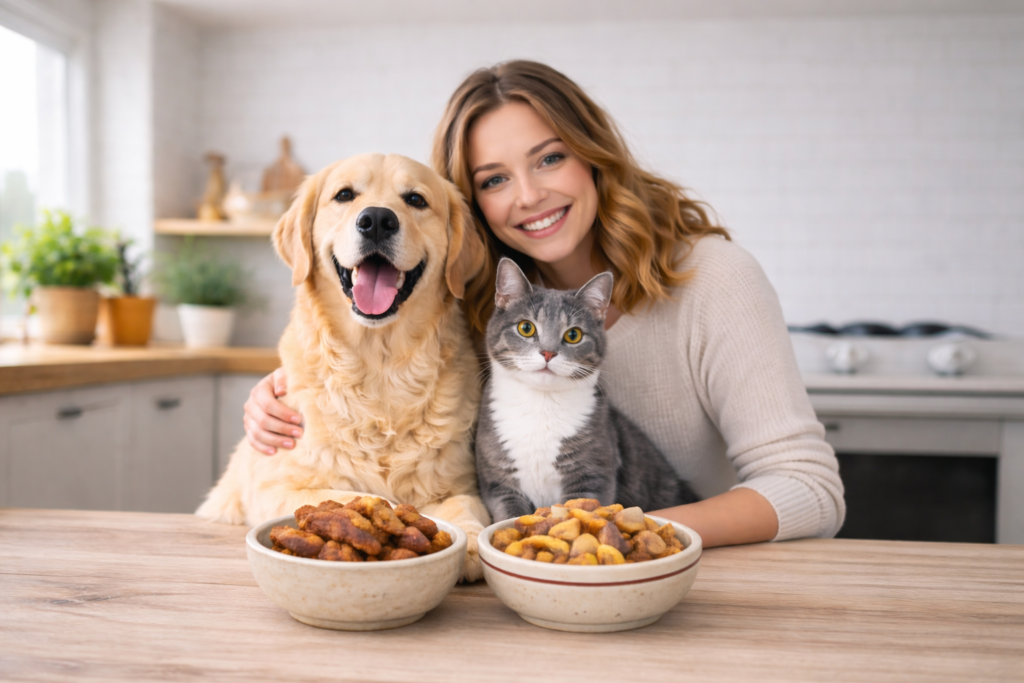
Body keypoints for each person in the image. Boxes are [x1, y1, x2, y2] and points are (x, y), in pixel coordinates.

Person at [242, 60, 844, 548]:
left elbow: (809, 489)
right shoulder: (477, 303)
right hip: (530, 591)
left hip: (689, 587)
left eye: (550, 158)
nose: (529, 196)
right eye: (494, 179)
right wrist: (282, 397)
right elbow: (381, 393)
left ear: (594, 155)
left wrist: (621, 533)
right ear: (468, 210)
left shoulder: (715, 280)